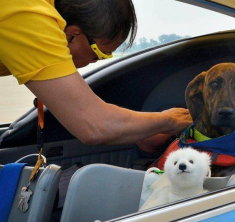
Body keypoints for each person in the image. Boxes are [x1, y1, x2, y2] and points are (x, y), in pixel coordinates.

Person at [0, 0, 192, 145]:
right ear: (71, 35)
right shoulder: (26, 16)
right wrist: (170, 120)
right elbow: (95, 125)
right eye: (99, 54)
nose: (95, 62)